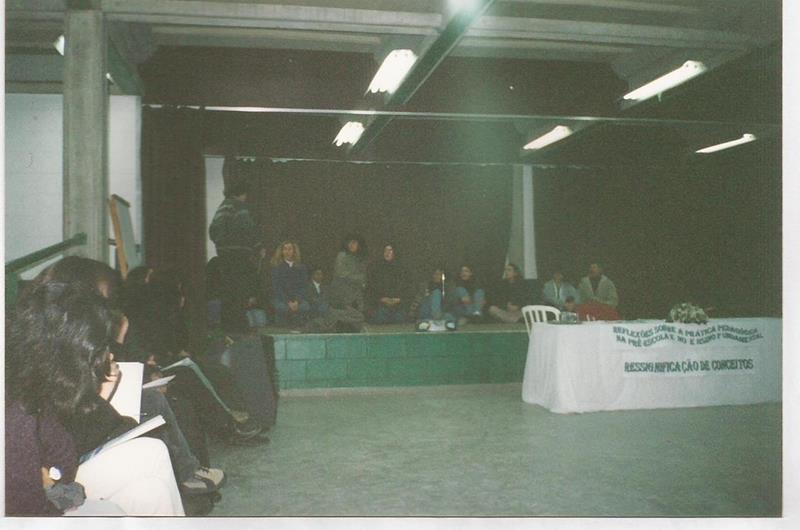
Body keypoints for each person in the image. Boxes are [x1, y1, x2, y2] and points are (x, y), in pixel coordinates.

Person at [6, 276, 184, 516]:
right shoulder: (18, 410)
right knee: (129, 496)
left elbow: (65, 459)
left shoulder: (35, 378)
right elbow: (32, 508)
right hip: (39, 508)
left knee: (151, 485)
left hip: (57, 484)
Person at [208, 170, 261, 333]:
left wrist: (222, 245)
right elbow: (248, 229)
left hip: (224, 256)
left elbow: (212, 231)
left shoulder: (222, 207)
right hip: (239, 256)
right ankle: (240, 327)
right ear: (242, 193)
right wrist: (258, 246)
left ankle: (228, 327)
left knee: (228, 293)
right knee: (240, 292)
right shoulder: (239, 207)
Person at [270, 240, 310, 326]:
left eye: (290, 249)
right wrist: (288, 302)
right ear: (282, 251)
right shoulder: (277, 267)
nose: (287, 251)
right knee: (281, 307)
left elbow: (303, 287)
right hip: (282, 299)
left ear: (294, 251)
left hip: (297, 300)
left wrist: (297, 301)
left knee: (305, 306)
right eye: (285, 249)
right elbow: (277, 288)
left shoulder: (301, 267)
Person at [366, 243, 408, 324]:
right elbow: (371, 288)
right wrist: (381, 299)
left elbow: (408, 288)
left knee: (400, 319)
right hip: (380, 306)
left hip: (399, 306)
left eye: (390, 250)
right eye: (385, 250)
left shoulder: (402, 269)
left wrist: (399, 299)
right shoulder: (376, 269)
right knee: (379, 318)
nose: (387, 253)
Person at [328, 234, 368, 312]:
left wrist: (361, 280)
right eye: (350, 242)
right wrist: (358, 278)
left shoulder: (359, 259)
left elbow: (363, 276)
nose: (351, 245)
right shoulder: (341, 255)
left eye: (354, 243)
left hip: (355, 292)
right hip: (341, 291)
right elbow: (342, 274)